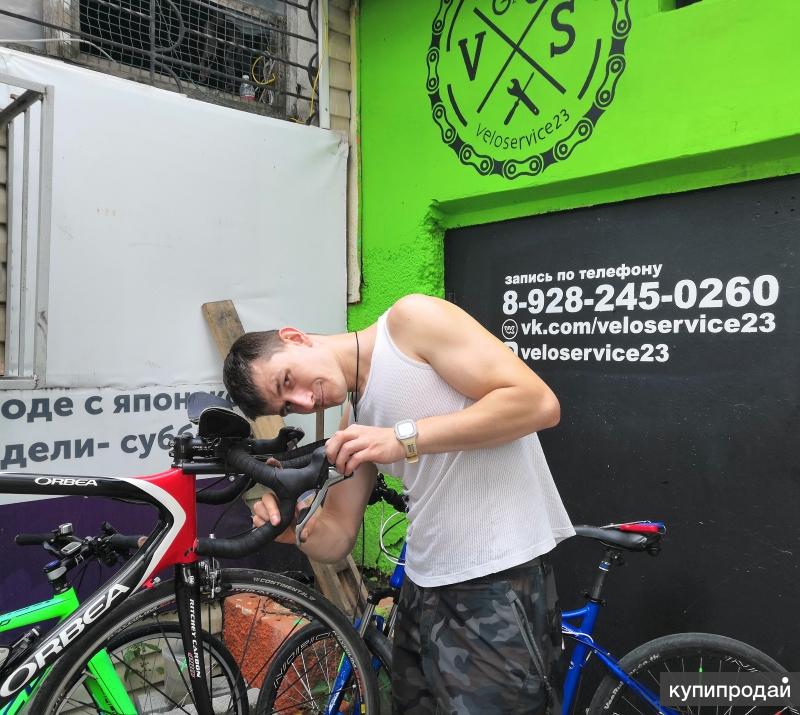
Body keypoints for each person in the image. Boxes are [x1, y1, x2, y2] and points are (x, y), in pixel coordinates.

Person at [223, 293, 574, 715]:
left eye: (287, 381)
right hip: (423, 589)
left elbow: (538, 403)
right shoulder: (356, 418)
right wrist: (288, 528)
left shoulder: (410, 323)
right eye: (288, 406)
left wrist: (402, 438)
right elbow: (337, 536)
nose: (303, 402)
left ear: (295, 338)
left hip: (497, 577)